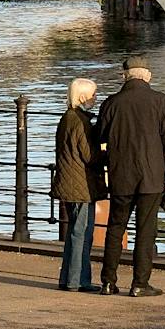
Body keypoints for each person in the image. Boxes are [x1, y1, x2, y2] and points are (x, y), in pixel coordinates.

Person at [96, 58, 165, 297]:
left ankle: (108, 282)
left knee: (115, 227)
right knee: (146, 230)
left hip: (120, 175)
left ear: (125, 76)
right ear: (148, 76)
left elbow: (100, 137)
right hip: (151, 177)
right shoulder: (160, 101)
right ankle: (140, 283)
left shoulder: (111, 103)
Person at [53, 78, 102, 292]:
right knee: (82, 232)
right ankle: (78, 280)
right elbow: (89, 155)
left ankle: (68, 278)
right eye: (93, 94)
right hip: (81, 184)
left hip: (70, 180)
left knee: (75, 230)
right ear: (83, 96)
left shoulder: (67, 118)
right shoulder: (80, 122)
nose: (95, 98)